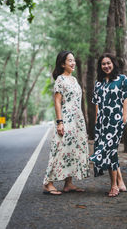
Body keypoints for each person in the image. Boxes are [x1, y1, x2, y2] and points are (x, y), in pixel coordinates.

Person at [43, 50, 90, 195]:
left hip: (78, 119)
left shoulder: (74, 80)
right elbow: (57, 102)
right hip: (67, 118)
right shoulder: (60, 80)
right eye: (70, 60)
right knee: (60, 148)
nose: (73, 63)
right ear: (63, 64)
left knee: (74, 149)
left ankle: (68, 184)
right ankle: (48, 183)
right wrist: (60, 122)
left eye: (74, 60)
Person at [90, 53, 127, 197]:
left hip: (116, 121)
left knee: (110, 150)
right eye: (103, 64)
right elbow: (96, 104)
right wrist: (96, 122)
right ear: (100, 67)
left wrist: (124, 118)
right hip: (102, 123)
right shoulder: (98, 83)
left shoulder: (122, 79)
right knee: (111, 150)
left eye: (108, 63)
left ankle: (114, 185)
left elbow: (126, 98)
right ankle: (120, 182)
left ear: (113, 64)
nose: (106, 66)